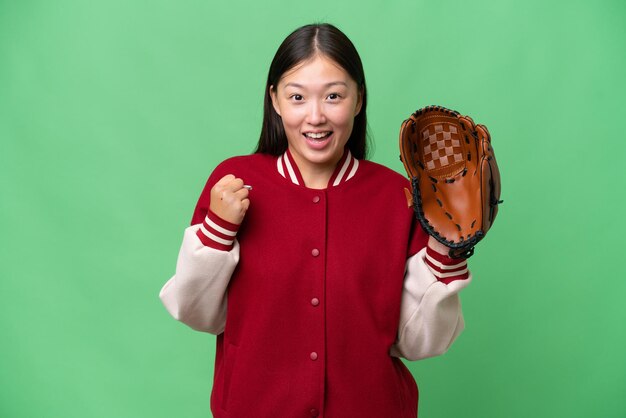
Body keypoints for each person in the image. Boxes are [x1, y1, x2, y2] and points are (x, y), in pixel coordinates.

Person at [159, 23, 471, 418]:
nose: (316, 116)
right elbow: (196, 313)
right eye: (297, 97)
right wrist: (217, 233)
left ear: (359, 100)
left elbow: (419, 343)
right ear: (274, 100)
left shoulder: (400, 197)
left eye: (334, 96)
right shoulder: (235, 183)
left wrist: (446, 251)